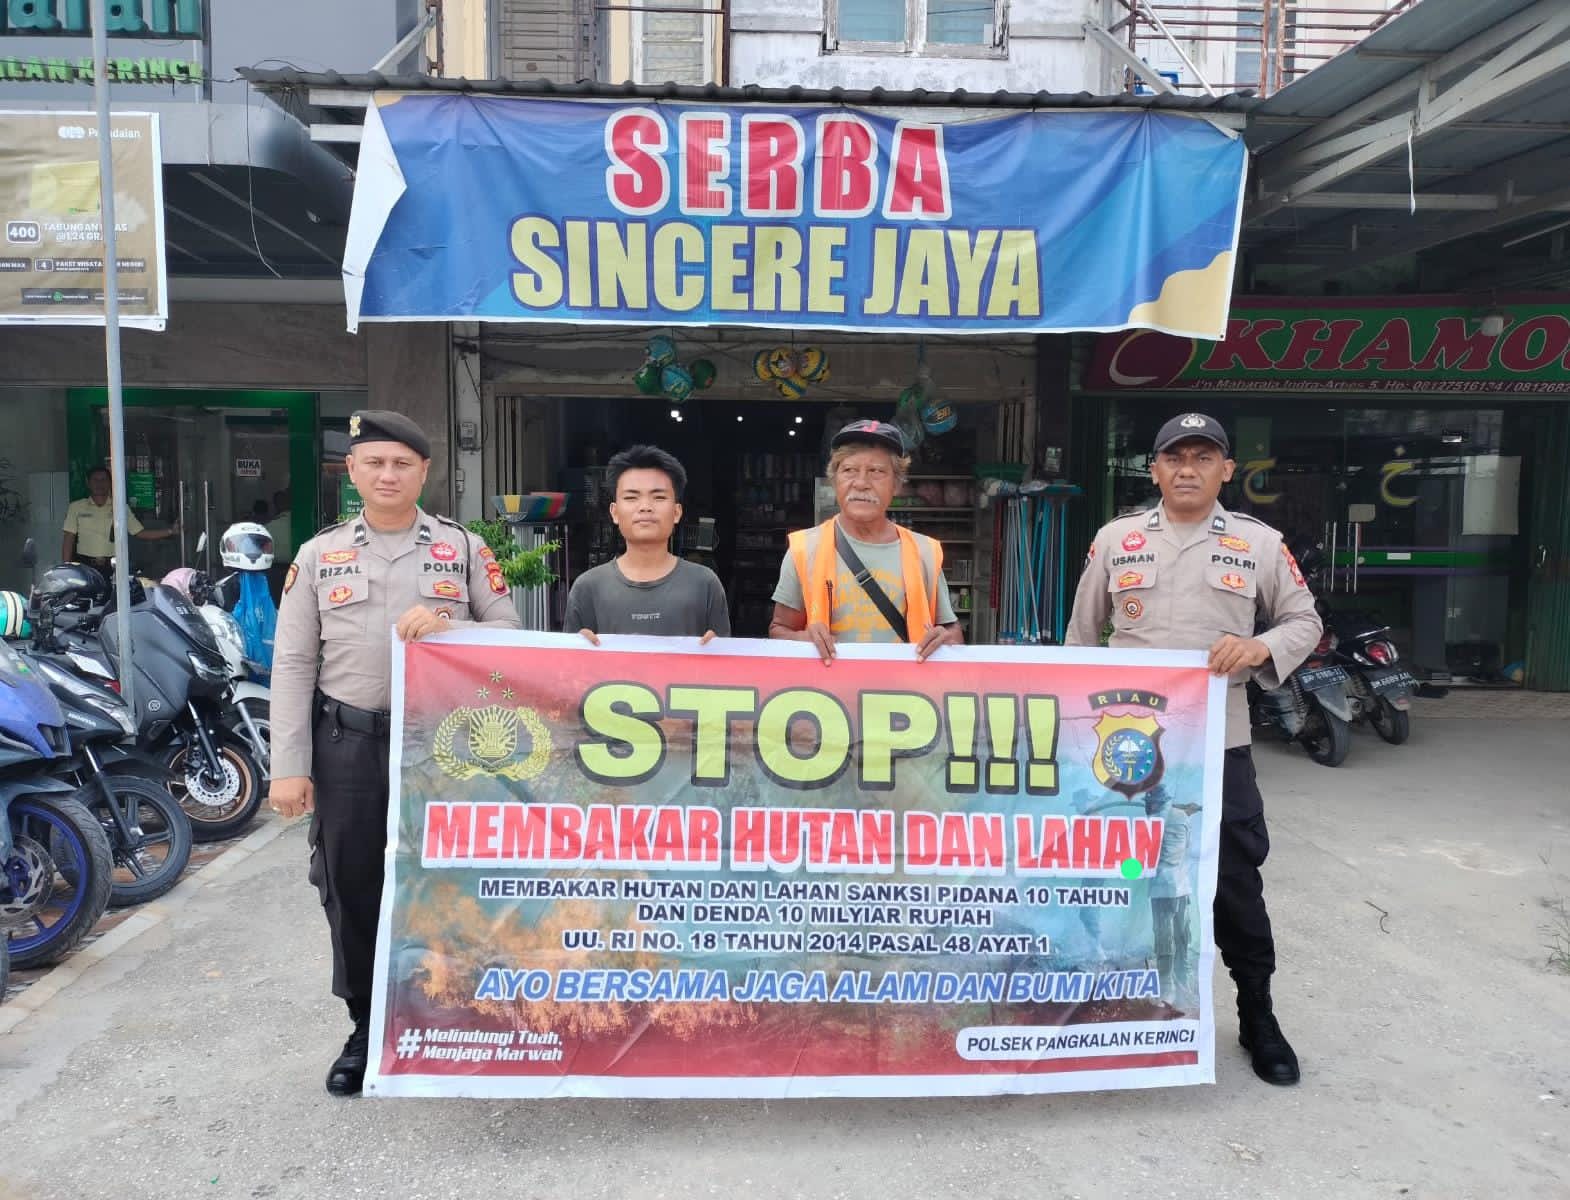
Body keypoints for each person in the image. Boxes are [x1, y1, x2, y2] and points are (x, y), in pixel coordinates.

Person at [268, 410, 522, 1098]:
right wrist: (288, 766)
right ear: (351, 470)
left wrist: (450, 624)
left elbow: (508, 630)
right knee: (352, 884)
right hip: (347, 743)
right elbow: (293, 662)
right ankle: (367, 1026)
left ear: (424, 472)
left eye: (402, 464)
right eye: (375, 463)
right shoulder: (318, 555)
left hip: (442, 747)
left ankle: (451, 1018)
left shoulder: (461, 548)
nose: (388, 475)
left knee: (449, 881)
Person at [1064, 411, 1321, 1086]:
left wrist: (1260, 646)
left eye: (1203, 458)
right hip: (1123, 753)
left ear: (1225, 470)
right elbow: (1080, 640)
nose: (1187, 469)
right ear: (1154, 470)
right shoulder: (1116, 540)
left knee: (1233, 881)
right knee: (1120, 875)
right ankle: (1115, 1005)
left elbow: (1304, 620)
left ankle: (1258, 1015)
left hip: (1217, 744)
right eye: (1174, 457)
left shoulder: (1258, 544)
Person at [769, 419, 961, 662]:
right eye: (849, 470)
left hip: (905, 685)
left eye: (876, 471)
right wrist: (804, 639)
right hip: (828, 686)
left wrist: (945, 639)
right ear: (834, 480)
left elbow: (953, 633)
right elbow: (778, 630)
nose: (861, 483)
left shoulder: (924, 551)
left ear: (897, 485)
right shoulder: (804, 549)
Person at [564, 445, 728, 643]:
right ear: (615, 512)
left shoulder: (705, 584)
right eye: (631, 497)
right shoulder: (588, 588)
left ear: (676, 512)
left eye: (658, 497)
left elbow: (725, 656)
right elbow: (568, 662)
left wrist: (718, 648)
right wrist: (578, 647)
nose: (645, 507)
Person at [61, 466, 177, 575]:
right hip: (85, 565)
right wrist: (66, 568)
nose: (99, 484)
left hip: (113, 565)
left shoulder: (120, 507)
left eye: (103, 480)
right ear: (88, 483)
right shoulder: (76, 507)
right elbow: (69, 538)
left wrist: (171, 531)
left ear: (110, 483)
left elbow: (139, 533)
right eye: (95, 480)